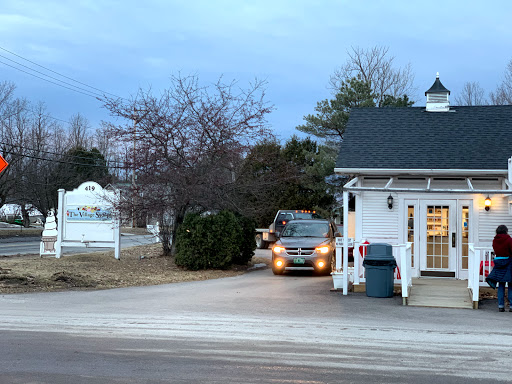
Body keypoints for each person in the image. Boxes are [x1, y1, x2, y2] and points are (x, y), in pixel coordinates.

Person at [486, 225, 512, 312]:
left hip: (498, 263)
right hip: (508, 263)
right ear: (506, 231)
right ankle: (511, 305)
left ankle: (501, 305)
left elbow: (495, 250)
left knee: (501, 285)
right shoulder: (509, 239)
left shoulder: (495, 240)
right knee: (510, 285)